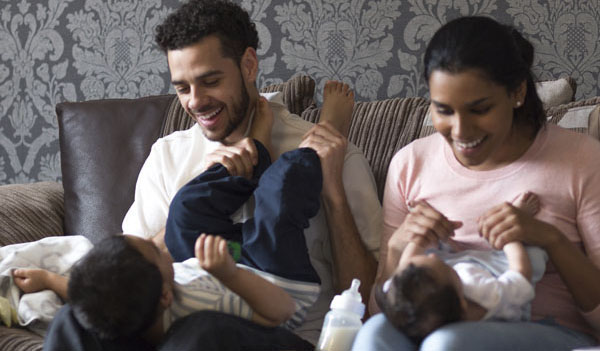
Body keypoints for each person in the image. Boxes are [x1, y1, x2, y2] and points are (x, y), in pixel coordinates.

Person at [121, 0, 380, 345]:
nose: (195, 101)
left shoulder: (334, 155)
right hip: (187, 325)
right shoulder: (169, 156)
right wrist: (206, 188)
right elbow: (128, 275)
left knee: (204, 332)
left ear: (248, 64)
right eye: (183, 88)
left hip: (288, 334)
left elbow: (366, 301)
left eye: (210, 81)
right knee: (78, 319)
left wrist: (331, 189)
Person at [352, 16, 600, 351]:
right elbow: (384, 310)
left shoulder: (582, 160)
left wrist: (551, 239)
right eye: (444, 110)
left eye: (479, 109)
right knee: (372, 335)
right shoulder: (410, 164)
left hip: (550, 331)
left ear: (517, 93)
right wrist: (398, 248)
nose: (460, 132)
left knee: (447, 343)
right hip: (430, 329)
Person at [375, 192, 547, 342]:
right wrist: (508, 235)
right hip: (504, 286)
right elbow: (521, 274)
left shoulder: (408, 301)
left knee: (375, 329)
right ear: (461, 295)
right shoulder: (483, 294)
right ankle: (511, 221)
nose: (433, 256)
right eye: (444, 266)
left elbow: (408, 262)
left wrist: (422, 233)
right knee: (532, 257)